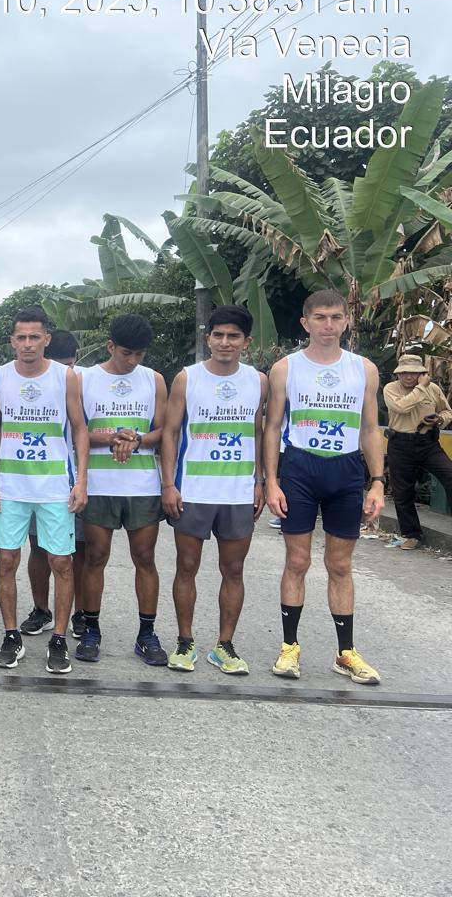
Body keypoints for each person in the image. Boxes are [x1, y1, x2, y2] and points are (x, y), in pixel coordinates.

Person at [265, 289, 385, 685]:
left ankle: (345, 653)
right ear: (305, 322)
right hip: (300, 469)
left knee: (340, 565)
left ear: (346, 321)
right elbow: (272, 427)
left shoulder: (364, 369)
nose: (328, 325)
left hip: (346, 472)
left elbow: (370, 429)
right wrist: (271, 481)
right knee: (297, 561)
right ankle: (289, 648)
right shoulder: (285, 368)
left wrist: (377, 483)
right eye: (320, 317)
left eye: (335, 317)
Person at [160, 306, 267, 675]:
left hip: (238, 492)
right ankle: (184, 641)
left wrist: (259, 481)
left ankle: (225, 645)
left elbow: (257, 432)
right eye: (218, 335)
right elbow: (171, 433)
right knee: (186, 566)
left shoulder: (259, 381)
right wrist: (169, 484)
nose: (225, 342)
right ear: (208, 339)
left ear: (246, 342)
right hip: (193, 490)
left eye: (233, 336)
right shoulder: (187, 378)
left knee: (233, 569)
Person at [0, 308, 88, 674]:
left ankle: (58, 638)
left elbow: (79, 428)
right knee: (7, 561)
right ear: (12, 341)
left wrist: (81, 481)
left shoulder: (65, 376)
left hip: (54, 486)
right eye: (21, 337)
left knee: (61, 562)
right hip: (11, 486)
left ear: (46, 339)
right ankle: (11, 635)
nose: (27, 344)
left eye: (34, 337)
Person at [76, 313, 169, 666]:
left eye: (139, 355)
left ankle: (147, 634)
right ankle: (91, 631)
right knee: (95, 557)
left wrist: (139, 439)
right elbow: (76, 430)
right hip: (98, 483)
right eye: (126, 353)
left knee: (144, 558)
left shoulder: (154, 380)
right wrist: (111, 438)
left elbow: (164, 431)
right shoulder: (84, 379)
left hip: (142, 484)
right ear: (110, 346)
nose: (132, 361)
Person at [23, 329, 90, 640]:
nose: (66, 370)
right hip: (38, 480)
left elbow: (84, 429)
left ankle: (80, 613)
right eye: (60, 364)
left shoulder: (81, 380)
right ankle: (41, 610)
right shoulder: (34, 379)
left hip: (75, 480)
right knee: (38, 547)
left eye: (70, 364)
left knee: (77, 550)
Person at [382, 354, 452, 551]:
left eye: (413, 373)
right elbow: (401, 407)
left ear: (421, 373)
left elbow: (447, 411)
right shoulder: (390, 389)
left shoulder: (433, 389)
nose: (408, 376)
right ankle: (412, 535)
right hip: (400, 444)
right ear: (398, 374)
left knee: (450, 476)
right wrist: (421, 387)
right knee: (402, 493)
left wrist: (439, 419)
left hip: (428, 443)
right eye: (404, 372)